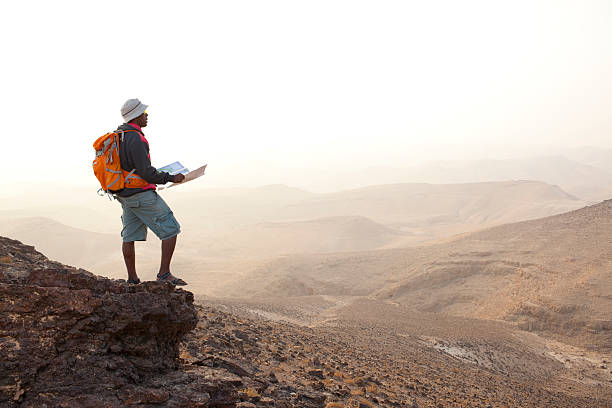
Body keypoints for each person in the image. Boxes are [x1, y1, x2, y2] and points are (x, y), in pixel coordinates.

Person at [114, 98, 187, 286]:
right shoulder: (136, 138)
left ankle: (132, 279)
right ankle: (164, 274)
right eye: (144, 113)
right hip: (140, 194)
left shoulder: (118, 135)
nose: (147, 116)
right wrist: (171, 178)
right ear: (136, 116)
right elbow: (146, 172)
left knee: (129, 236)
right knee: (171, 228)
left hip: (124, 194)